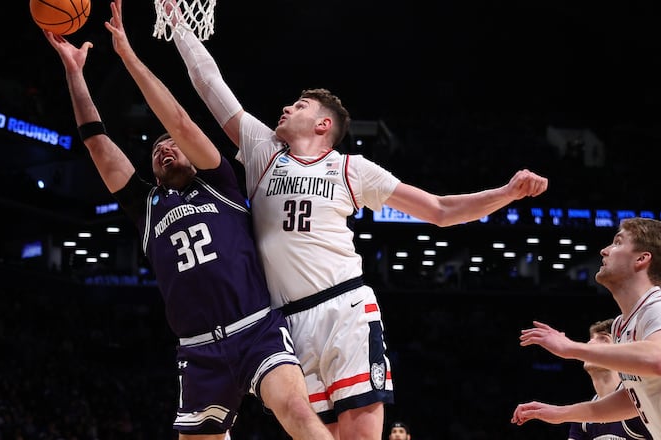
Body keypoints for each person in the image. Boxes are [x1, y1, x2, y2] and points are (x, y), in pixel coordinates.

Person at [159, 5, 549, 439]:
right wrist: (178, 24)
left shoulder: (352, 168)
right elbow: (210, 84)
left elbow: (439, 211)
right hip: (286, 323)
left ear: (324, 123)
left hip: (344, 307)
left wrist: (506, 193)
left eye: (300, 104)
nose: (286, 107)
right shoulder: (262, 149)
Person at [43, 2, 334, 439]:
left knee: (295, 408)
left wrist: (128, 56)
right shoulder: (147, 205)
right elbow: (97, 144)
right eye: (156, 150)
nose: (165, 149)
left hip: (254, 328)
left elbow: (177, 120)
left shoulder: (218, 179)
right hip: (197, 350)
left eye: (172, 145)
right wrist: (74, 72)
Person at [512, 217, 661, 439]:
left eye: (618, 242)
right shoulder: (623, 324)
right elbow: (635, 400)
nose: (604, 250)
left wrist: (571, 348)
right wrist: (560, 414)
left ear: (641, 259)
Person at [567, 319, 651, 440]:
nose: (590, 343)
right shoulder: (583, 419)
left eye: (603, 339)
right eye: (591, 339)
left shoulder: (638, 405)